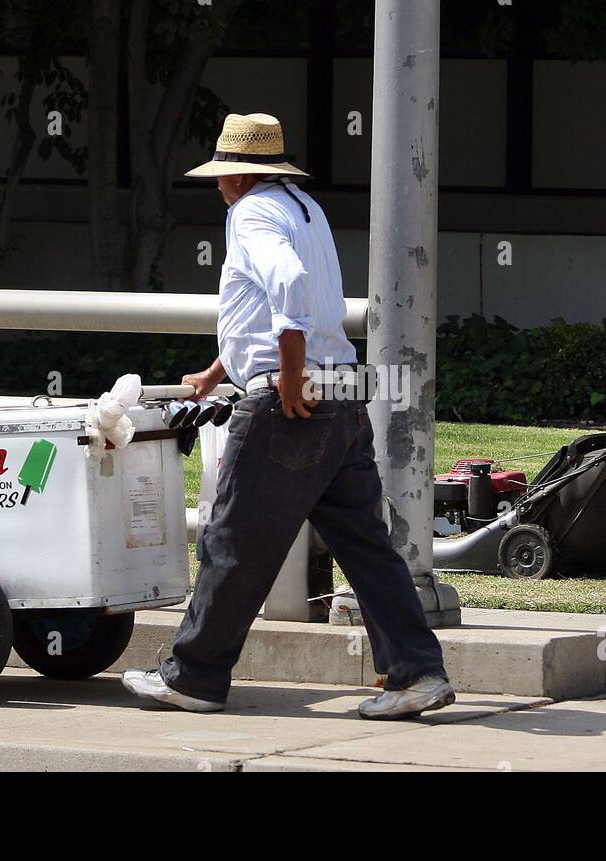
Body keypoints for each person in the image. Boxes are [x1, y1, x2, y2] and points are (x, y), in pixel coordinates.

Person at [122, 113, 454, 719]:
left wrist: (290, 374)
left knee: (232, 542)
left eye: (223, 174)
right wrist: (217, 372)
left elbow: (289, 286)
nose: (219, 185)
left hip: (290, 404)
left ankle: (194, 677)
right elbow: (270, 308)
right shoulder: (303, 208)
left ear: (238, 176)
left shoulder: (248, 214)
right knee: (367, 548)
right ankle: (415, 673)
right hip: (343, 400)